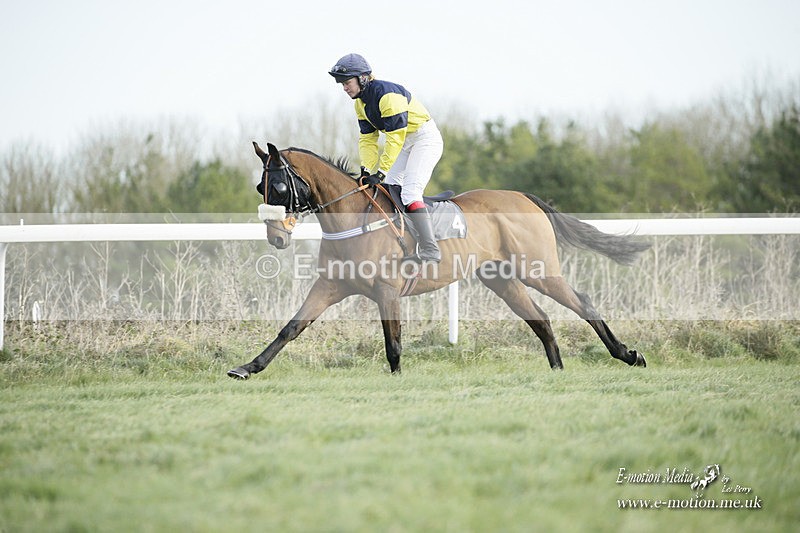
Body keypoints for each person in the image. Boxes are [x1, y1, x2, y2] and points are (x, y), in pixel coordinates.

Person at [328, 53, 443, 263]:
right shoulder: (360, 104)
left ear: (363, 78)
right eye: (341, 84)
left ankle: (430, 248)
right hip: (405, 143)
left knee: (410, 193)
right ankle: (405, 239)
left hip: (424, 140)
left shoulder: (387, 96)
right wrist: (366, 170)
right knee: (388, 191)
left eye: (347, 82)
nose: (344, 88)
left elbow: (395, 138)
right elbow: (368, 140)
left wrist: (380, 172)